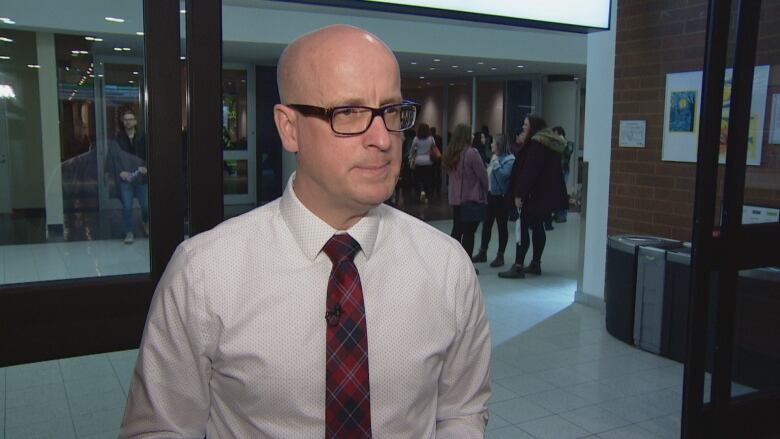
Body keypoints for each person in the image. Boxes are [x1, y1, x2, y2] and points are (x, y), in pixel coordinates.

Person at [120, 25, 491, 438]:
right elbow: (159, 428)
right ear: (289, 128)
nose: (383, 138)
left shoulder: (446, 266)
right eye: (347, 112)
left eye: (390, 111)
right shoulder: (205, 273)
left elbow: (461, 411)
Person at [499, 115, 568, 279]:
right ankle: (536, 263)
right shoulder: (549, 143)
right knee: (538, 227)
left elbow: (530, 171)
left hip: (532, 195)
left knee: (523, 228)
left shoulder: (536, 144)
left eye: (526, 124)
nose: (523, 127)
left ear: (533, 126)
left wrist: (519, 194)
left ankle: (518, 265)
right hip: (544, 195)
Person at [443, 123, 488, 272]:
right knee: (469, 234)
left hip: (456, 199)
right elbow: (482, 175)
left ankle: (452, 262)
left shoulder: (450, 153)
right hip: (470, 198)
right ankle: (466, 267)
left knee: (457, 231)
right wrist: (485, 191)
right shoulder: (471, 153)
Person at [105, 108, 148, 244]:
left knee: (146, 205)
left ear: (135, 122)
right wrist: (120, 172)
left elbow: (150, 155)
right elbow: (112, 158)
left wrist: (146, 167)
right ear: (123, 122)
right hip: (126, 179)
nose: (128, 122)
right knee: (127, 206)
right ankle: (129, 232)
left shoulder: (143, 137)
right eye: (126, 120)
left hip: (141, 178)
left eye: (130, 119)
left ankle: (146, 222)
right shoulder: (117, 139)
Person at [472, 133, 515, 267]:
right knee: (486, 225)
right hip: (490, 196)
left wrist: (496, 165)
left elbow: (504, 176)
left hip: (501, 197)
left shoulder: (510, 160)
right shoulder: (494, 157)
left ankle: (500, 255)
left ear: (499, 145)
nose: (491, 145)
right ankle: (483, 252)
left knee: (502, 227)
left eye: (493, 143)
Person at [552, 126, 574, 223]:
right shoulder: (554, 145)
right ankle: (557, 213)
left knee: (562, 193)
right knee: (556, 193)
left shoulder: (568, 144)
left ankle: (562, 215)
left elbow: (569, 151)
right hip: (555, 172)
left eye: (555, 133)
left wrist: (562, 141)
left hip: (564, 171)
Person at [411, 123, 436, 203]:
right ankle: (427, 196)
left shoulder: (416, 139)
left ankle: (422, 191)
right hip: (428, 161)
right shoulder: (431, 138)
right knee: (428, 179)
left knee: (418, 178)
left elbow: (412, 150)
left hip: (418, 160)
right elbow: (434, 149)